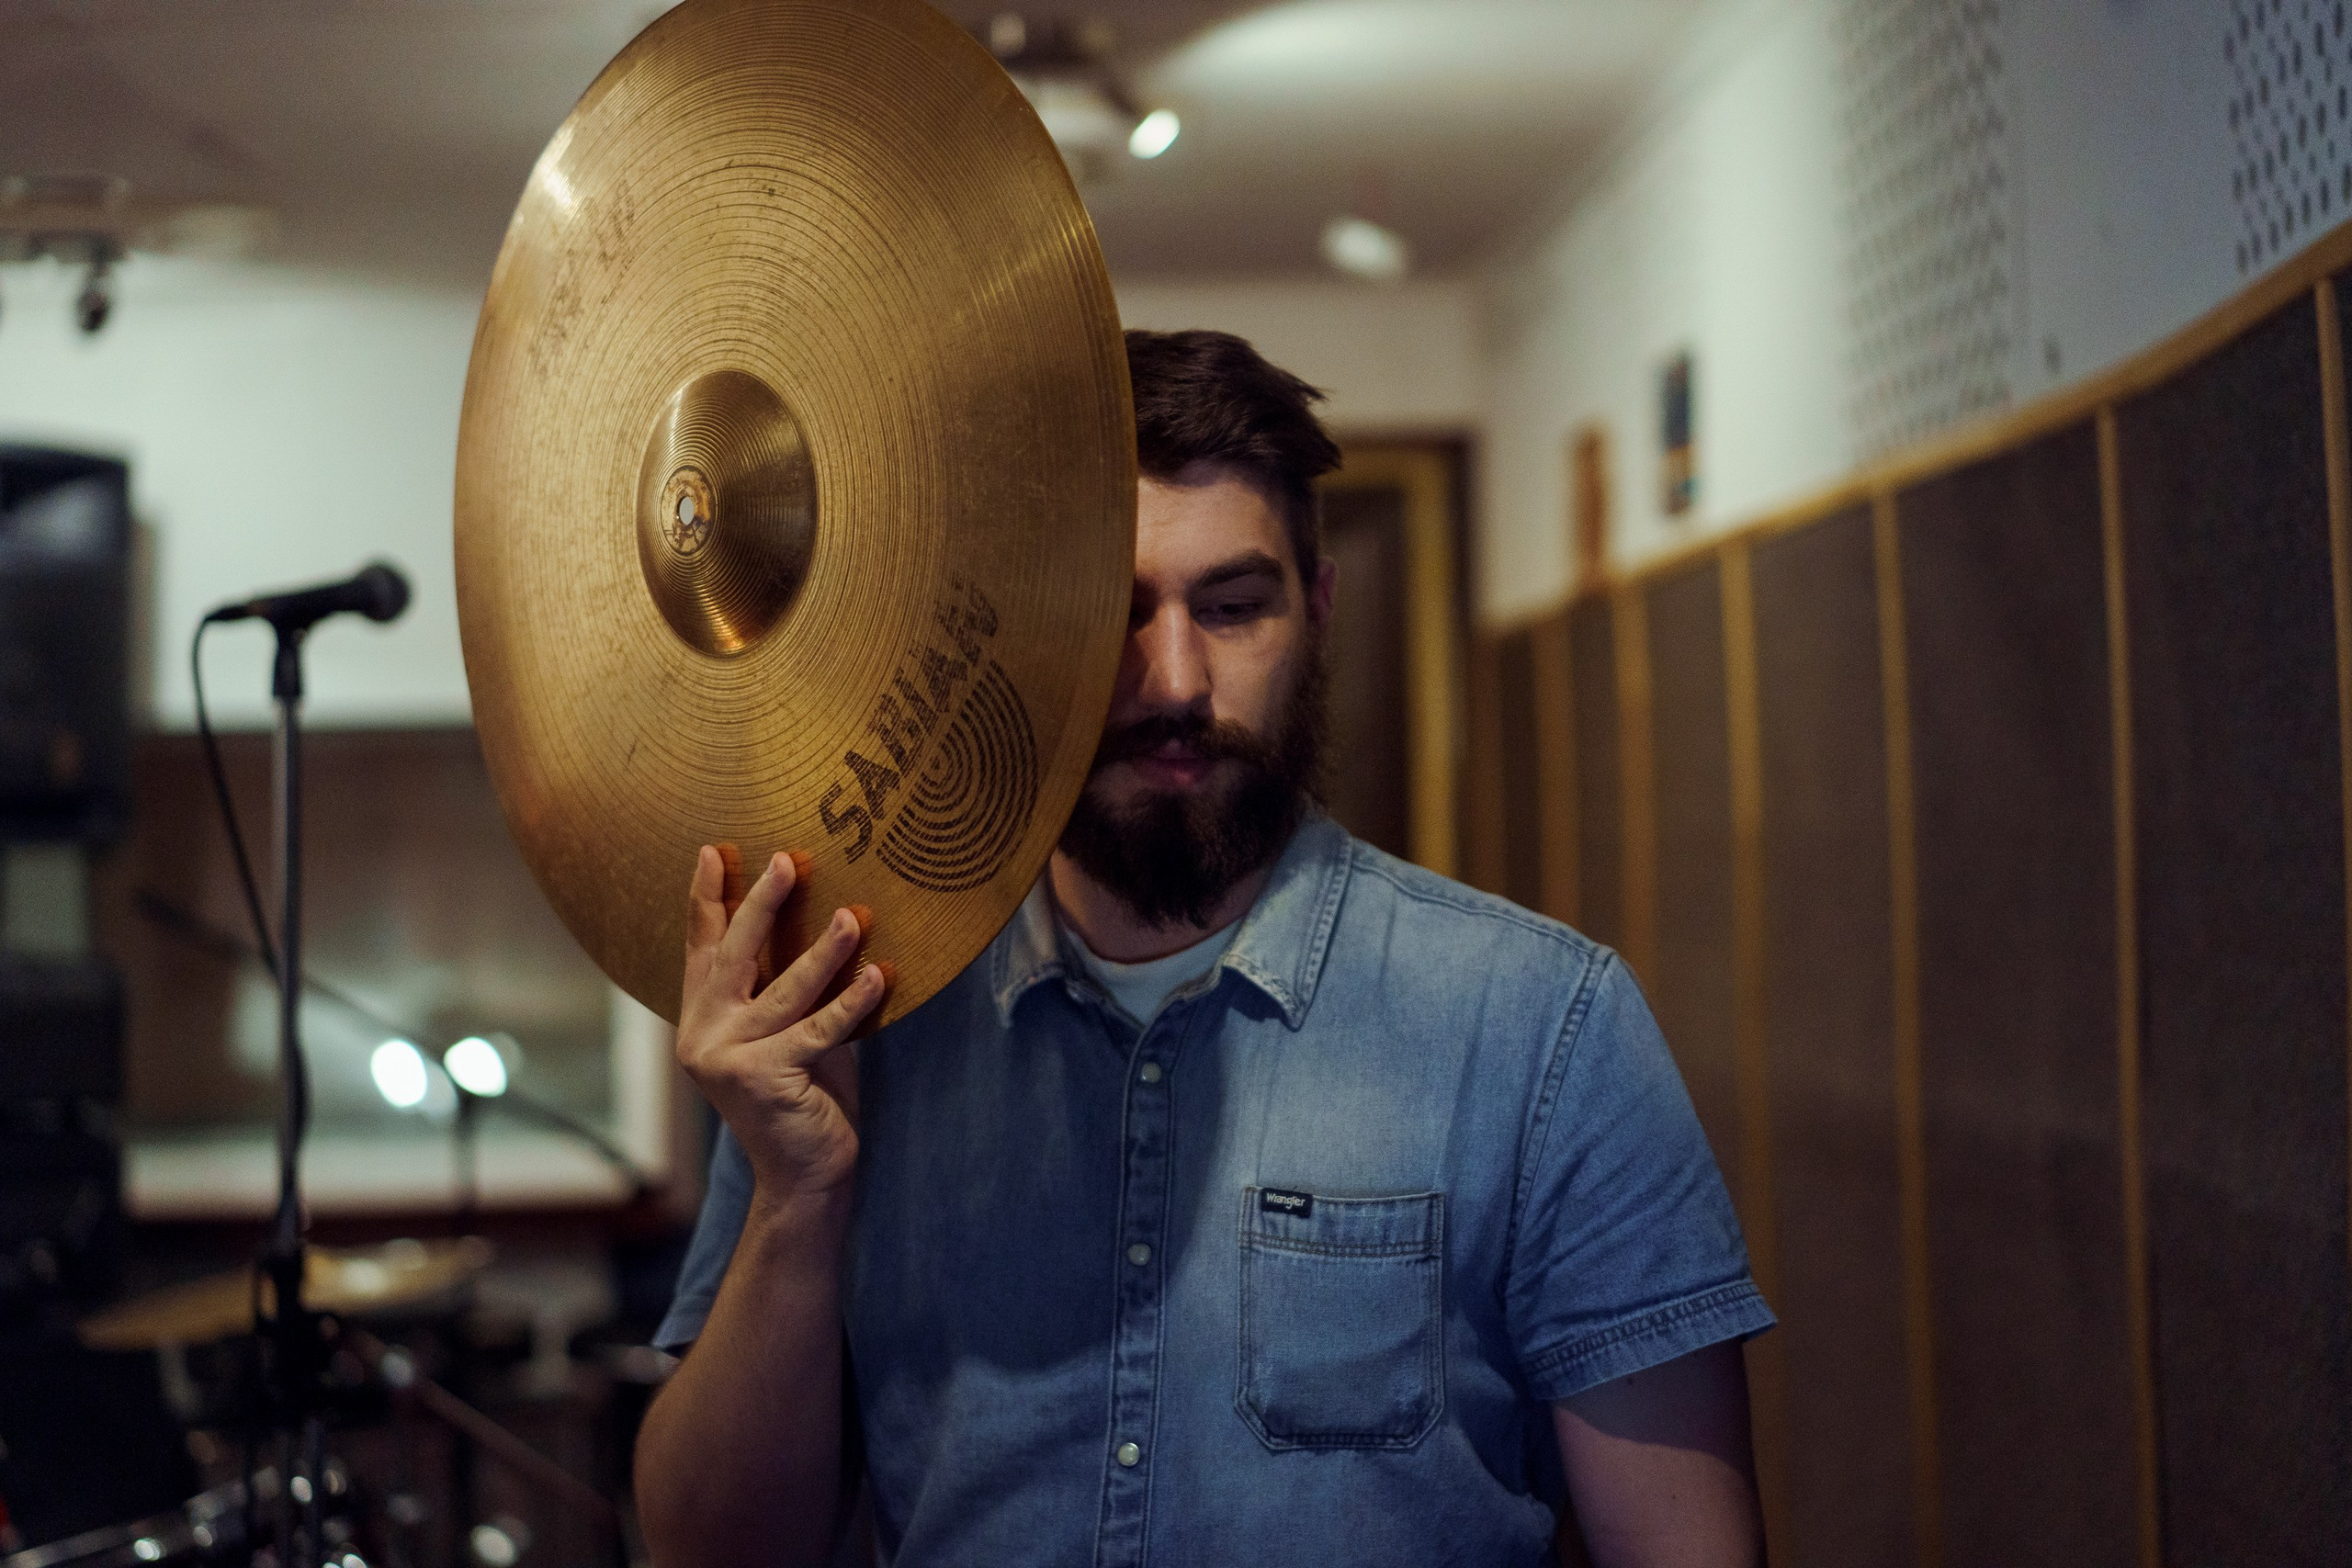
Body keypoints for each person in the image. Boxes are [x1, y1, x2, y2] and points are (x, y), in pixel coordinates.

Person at [634, 330, 1774, 1568]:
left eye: (1233, 607)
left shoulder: (1543, 1026)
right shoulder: (855, 1020)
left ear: (1318, 609)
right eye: (1114, 614)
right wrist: (799, 1201)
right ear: (1018, 633)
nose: (1174, 679)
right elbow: (709, 1553)